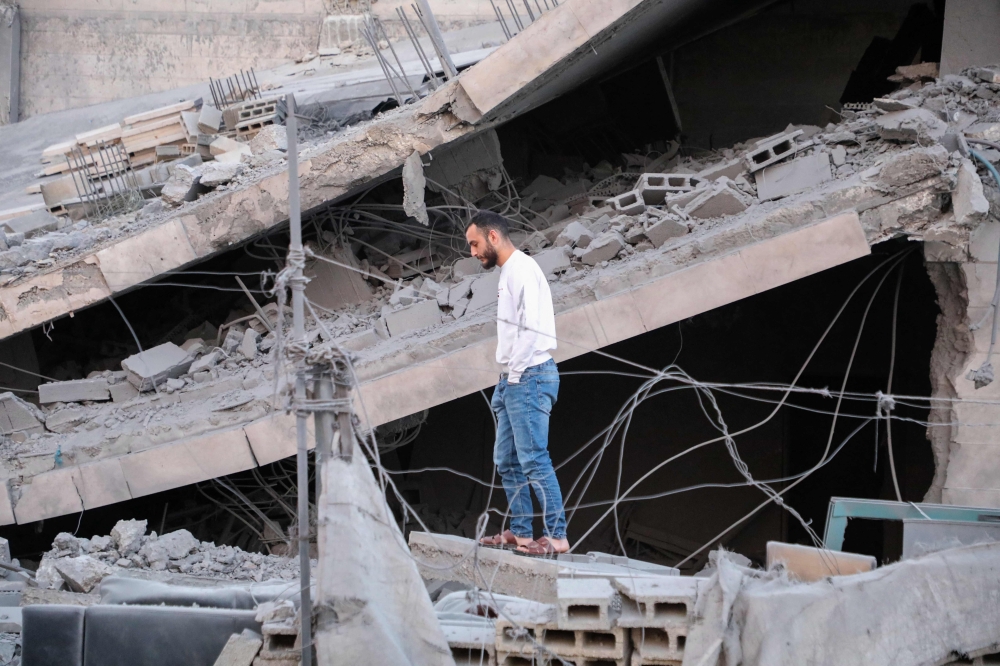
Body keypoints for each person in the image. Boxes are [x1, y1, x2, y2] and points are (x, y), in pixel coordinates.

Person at [465, 210, 570, 557]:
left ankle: (556, 537)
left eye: (475, 243)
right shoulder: (509, 271)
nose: (473, 252)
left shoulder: (521, 269)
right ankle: (523, 533)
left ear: (493, 236)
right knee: (507, 460)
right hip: (514, 376)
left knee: (534, 459)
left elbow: (532, 328)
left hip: (529, 375)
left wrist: (514, 376)